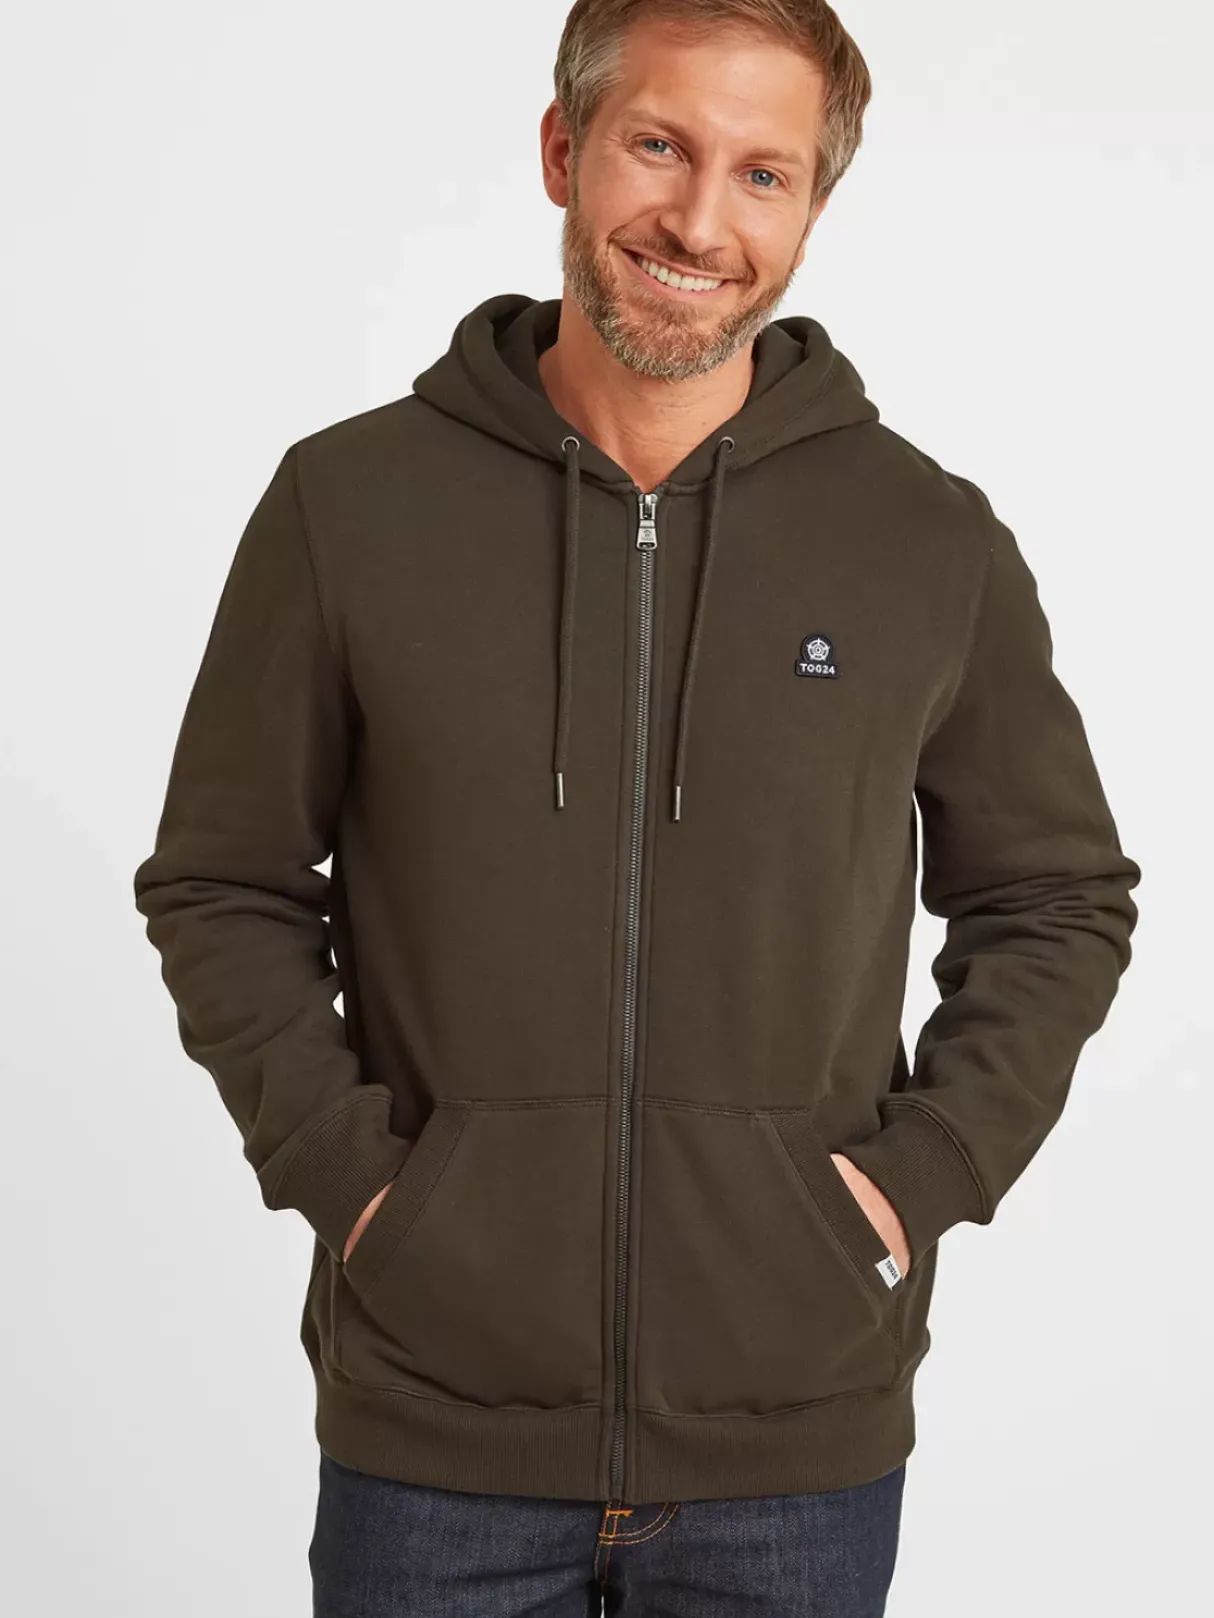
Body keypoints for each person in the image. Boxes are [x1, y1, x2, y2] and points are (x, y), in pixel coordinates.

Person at [131, 2, 1141, 1613]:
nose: (697, 220)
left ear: (811, 207)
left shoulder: (923, 539)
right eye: (658, 146)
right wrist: (364, 1189)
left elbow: (1054, 897)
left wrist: (916, 1180)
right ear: (564, 147)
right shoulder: (350, 504)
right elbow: (224, 878)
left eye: (762, 173)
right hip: (434, 1439)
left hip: (795, 1448)